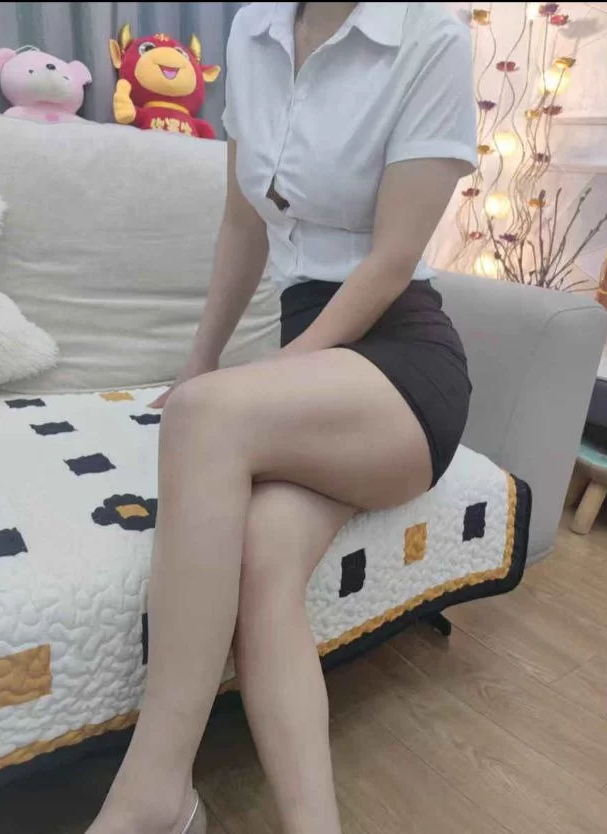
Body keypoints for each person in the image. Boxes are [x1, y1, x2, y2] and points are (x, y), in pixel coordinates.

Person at [85, 3, 477, 833]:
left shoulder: (430, 37)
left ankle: (152, 795)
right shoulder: (252, 30)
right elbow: (243, 221)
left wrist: (255, 380)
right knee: (262, 561)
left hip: (400, 362)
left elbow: (391, 262)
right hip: (317, 369)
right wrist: (199, 361)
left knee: (207, 419)